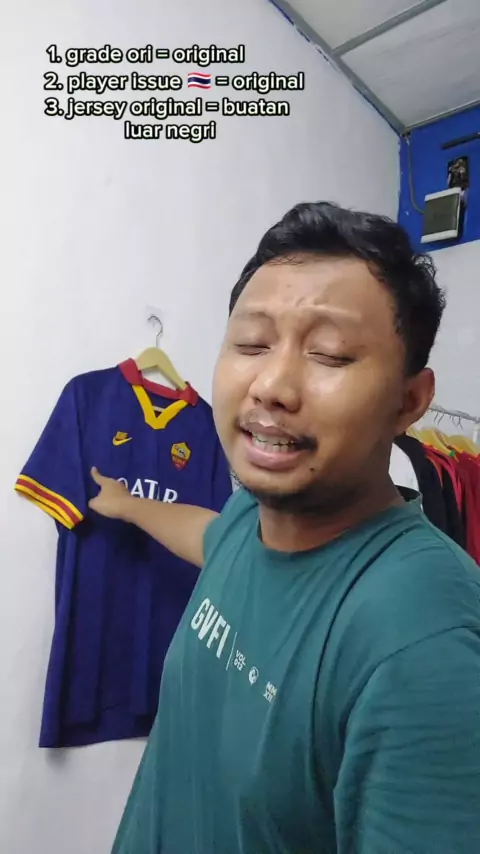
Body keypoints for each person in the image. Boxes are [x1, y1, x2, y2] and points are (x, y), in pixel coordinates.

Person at [90, 202, 480, 853]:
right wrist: (128, 504)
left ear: (409, 401)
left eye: (329, 354)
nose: (271, 384)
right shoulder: (254, 515)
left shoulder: (421, 642)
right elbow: (209, 536)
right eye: (251, 343)